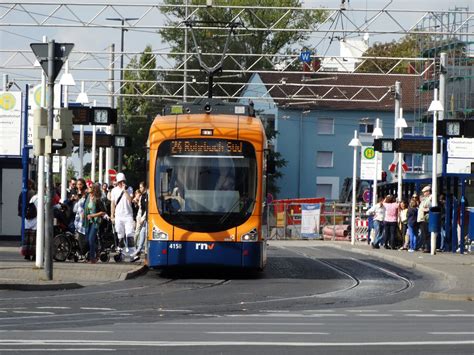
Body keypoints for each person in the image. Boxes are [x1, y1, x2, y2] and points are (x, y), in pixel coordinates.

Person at [111, 173, 135, 255]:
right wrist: (112, 215)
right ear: (117, 182)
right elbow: (113, 203)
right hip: (118, 216)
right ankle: (122, 252)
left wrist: (125, 190)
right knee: (120, 234)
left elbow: (130, 199)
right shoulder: (114, 190)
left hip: (128, 215)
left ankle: (132, 253)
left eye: (123, 181)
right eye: (120, 182)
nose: (122, 183)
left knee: (130, 234)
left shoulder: (130, 189)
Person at [83, 183, 106, 263]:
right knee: (87, 240)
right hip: (87, 221)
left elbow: (103, 212)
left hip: (95, 222)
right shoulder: (88, 197)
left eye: (89, 187)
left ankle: (92, 258)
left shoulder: (98, 199)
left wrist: (93, 215)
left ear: (93, 189)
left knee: (91, 239)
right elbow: (85, 207)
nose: (87, 188)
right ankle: (98, 250)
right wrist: (83, 213)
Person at [131, 181, 148, 262]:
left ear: (144, 187)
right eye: (140, 187)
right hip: (141, 218)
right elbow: (141, 208)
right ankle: (137, 250)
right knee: (140, 233)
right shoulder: (142, 196)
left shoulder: (147, 196)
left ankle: (142, 251)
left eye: (141, 187)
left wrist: (142, 218)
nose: (140, 188)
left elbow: (147, 209)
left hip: (145, 219)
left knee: (142, 234)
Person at [418, 185, 432, 253]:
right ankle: (424, 246)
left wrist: (425, 209)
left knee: (426, 234)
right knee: (423, 234)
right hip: (422, 219)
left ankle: (427, 247)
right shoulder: (425, 198)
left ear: (428, 192)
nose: (424, 194)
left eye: (425, 192)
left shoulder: (431, 198)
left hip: (426, 218)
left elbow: (431, 207)